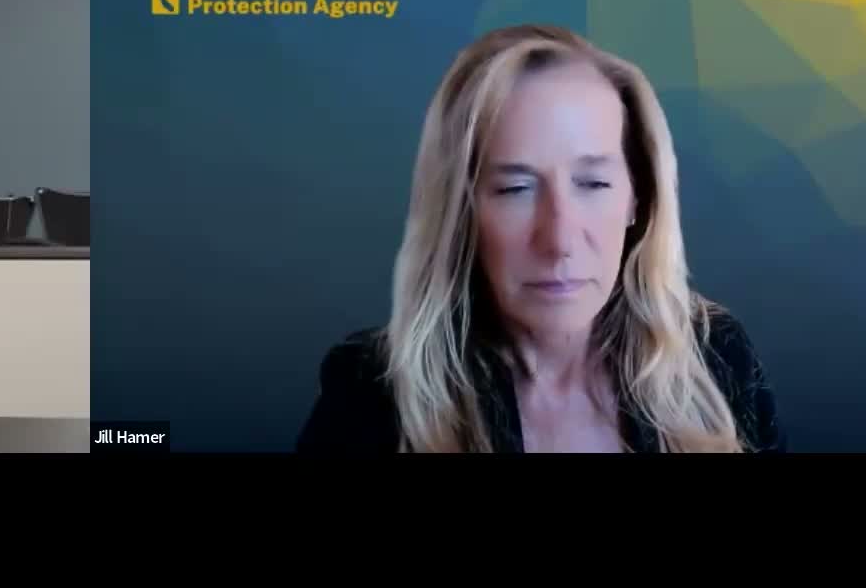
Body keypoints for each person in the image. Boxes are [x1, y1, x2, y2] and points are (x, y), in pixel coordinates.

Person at [297, 24, 785, 453]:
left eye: (593, 184)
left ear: (639, 197)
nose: (559, 241)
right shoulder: (371, 396)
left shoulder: (717, 359)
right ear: (459, 212)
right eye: (515, 189)